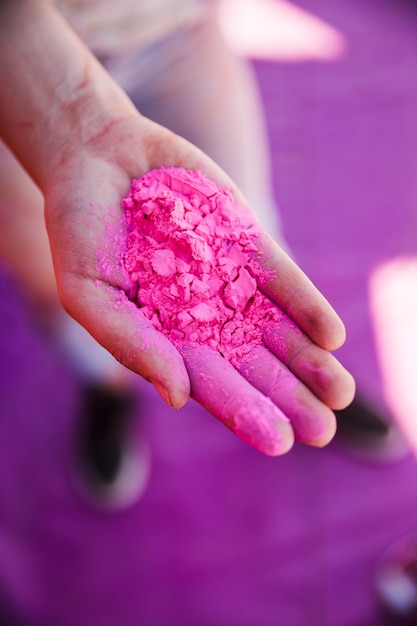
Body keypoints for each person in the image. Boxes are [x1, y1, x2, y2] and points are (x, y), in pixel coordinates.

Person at [0, 0, 354, 498]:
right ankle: (107, 389)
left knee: (247, 235)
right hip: (13, 74)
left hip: (173, 29)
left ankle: (307, 364)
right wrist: (74, 117)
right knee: (61, 282)